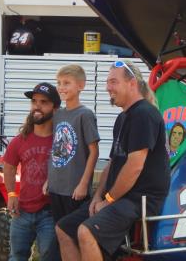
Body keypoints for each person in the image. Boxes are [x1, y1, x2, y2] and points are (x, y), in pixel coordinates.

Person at [55, 60, 170, 261]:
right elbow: (112, 163)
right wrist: (99, 196)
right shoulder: (123, 117)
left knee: (85, 231)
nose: (108, 87)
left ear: (132, 83)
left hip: (140, 199)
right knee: (64, 228)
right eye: (108, 82)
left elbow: (134, 166)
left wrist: (109, 200)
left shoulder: (144, 114)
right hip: (119, 197)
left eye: (114, 82)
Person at [3, 82, 61, 261]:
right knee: (16, 256)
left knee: (48, 257)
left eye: (44, 102)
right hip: (22, 211)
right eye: (34, 101)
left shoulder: (61, 140)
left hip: (50, 212)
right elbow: (9, 167)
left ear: (55, 108)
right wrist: (12, 194)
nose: (37, 106)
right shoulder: (20, 140)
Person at [46, 64, 100, 223]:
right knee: (58, 233)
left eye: (66, 83)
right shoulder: (58, 115)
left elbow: (94, 152)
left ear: (80, 86)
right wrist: (49, 180)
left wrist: (83, 184)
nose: (61, 87)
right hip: (56, 187)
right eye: (59, 82)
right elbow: (56, 149)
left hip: (75, 190)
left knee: (71, 236)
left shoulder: (85, 115)